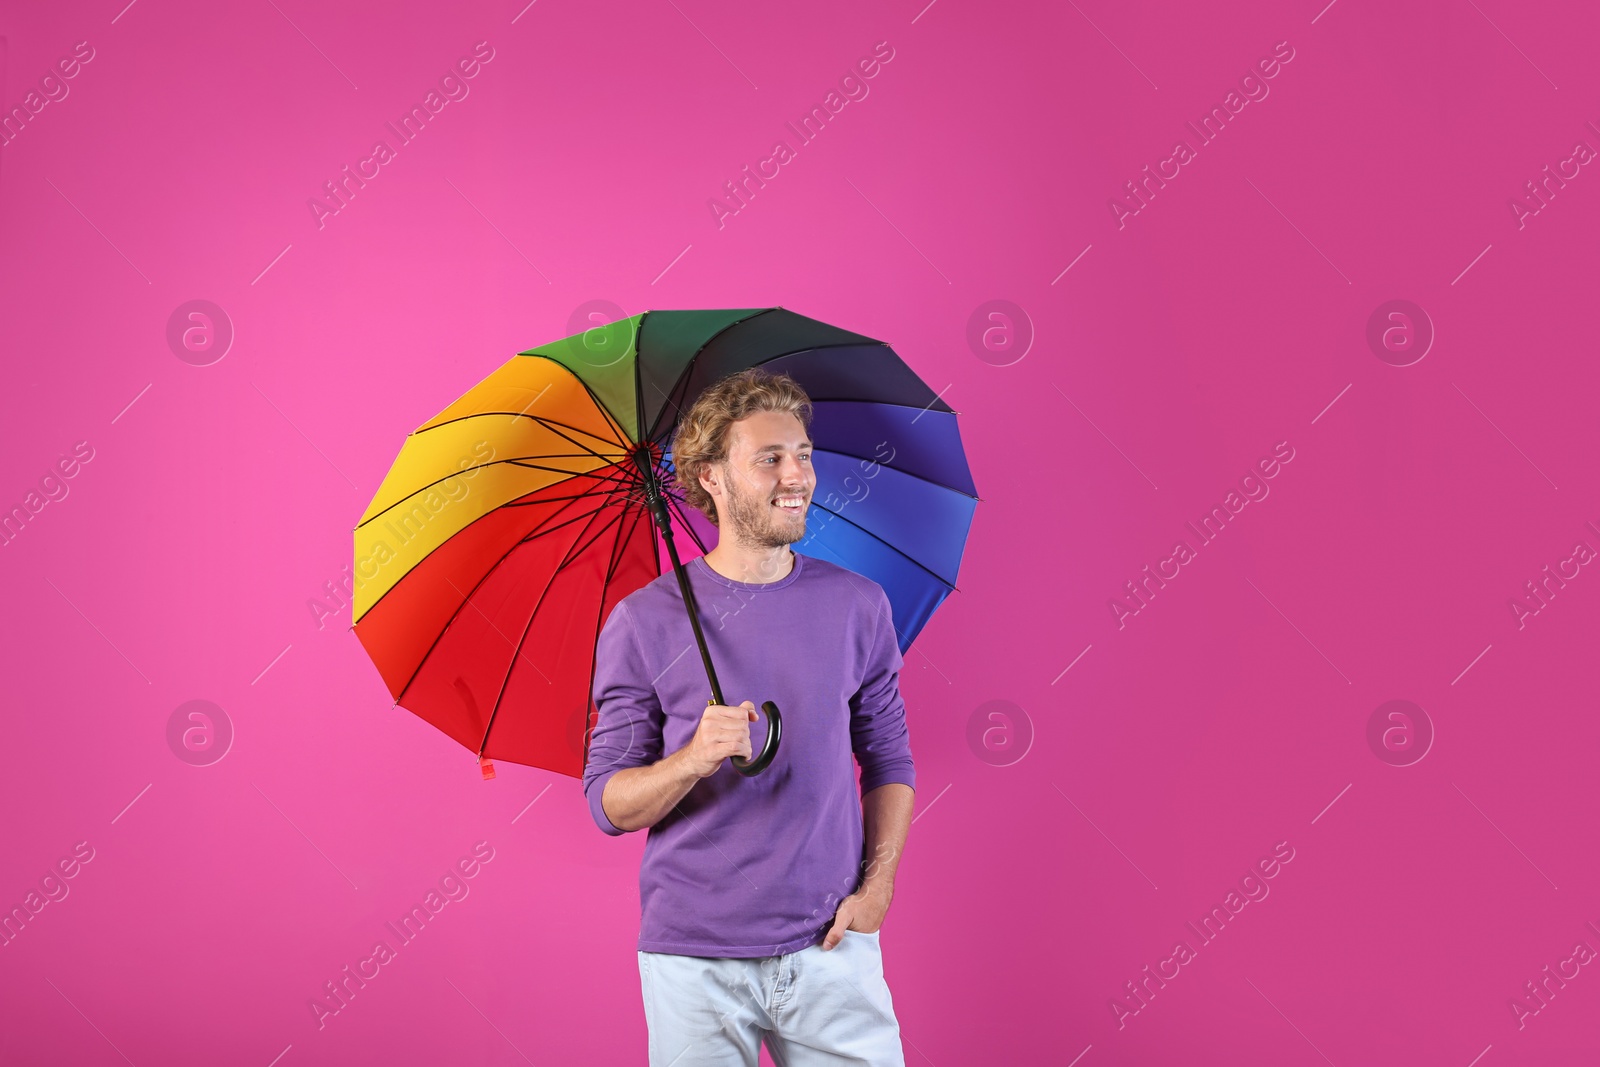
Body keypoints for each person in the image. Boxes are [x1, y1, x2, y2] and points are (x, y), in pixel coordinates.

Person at [582, 367, 916, 1066]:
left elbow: (888, 757)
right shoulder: (642, 620)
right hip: (694, 964)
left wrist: (877, 886)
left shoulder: (858, 605)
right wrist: (693, 759)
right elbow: (607, 802)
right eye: (770, 457)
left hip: (831, 945)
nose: (796, 475)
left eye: (803, 454)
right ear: (711, 477)